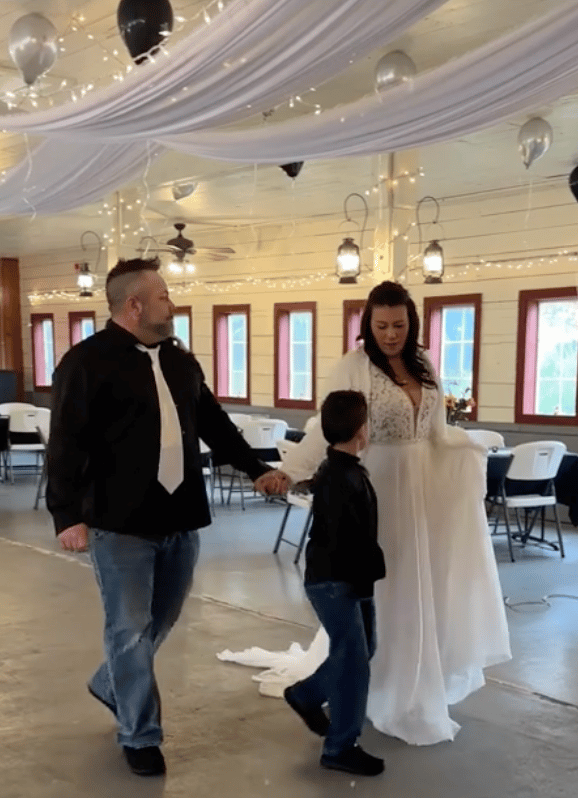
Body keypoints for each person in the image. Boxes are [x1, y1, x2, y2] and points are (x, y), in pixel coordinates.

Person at [235, 281, 511, 745]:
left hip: (422, 485)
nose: (390, 335)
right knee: (384, 586)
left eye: (399, 325)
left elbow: (438, 430)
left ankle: (414, 680)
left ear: (412, 322)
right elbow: (327, 428)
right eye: (381, 326)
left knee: (417, 584)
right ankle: (374, 682)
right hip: (375, 482)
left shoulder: (423, 361)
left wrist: (471, 447)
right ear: (368, 323)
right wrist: (291, 470)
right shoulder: (353, 365)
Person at [46, 257, 281, 777]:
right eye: (163, 296)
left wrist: (256, 469)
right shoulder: (85, 364)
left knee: (160, 620)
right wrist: (67, 515)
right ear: (134, 305)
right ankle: (140, 734)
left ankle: (111, 683)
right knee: (128, 629)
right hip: (119, 524)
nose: (171, 304)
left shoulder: (178, 360)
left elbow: (214, 425)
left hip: (179, 517)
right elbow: (63, 444)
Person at [285, 390, 386, 777]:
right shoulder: (342, 478)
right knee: (353, 665)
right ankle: (341, 747)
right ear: (362, 429)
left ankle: (306, 695)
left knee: (361, 650)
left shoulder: (342, 468)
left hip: (344, 578)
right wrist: (363, 585)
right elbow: (349, 542)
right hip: (336, 581)